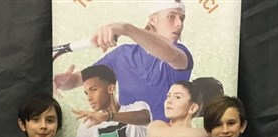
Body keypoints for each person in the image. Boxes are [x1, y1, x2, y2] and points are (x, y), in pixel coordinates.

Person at [53, 1, 193, 121]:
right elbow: (77, 80)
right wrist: (63, 82)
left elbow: (170, 54)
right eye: (171, 16)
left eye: (182, 18)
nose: (179, 24)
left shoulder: (181, 55)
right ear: (152, 20)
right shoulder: (122, 55)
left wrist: (126, 29)